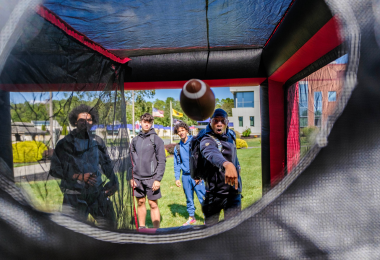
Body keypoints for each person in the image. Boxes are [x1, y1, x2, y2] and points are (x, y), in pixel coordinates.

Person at [49, 104, 119, 228]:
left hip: (97, 193)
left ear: (93, 122)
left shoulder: (97, 141)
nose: (85, 122)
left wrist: (114, 181)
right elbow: (55, 170)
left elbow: (106, 164)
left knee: (110, 225)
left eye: (89, 119)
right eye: (82, 120)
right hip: (74, 195)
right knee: (74, 234)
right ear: (75, 122)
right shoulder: (65, 143)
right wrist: (78, 176)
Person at [199, 108, 242, 225]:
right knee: (210, 231)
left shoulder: (231, 135)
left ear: (227, 122)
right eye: (215, 120)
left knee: (234, 231)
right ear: (210, 122)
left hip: (233, 193)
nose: (219, 123)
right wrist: (226, 164)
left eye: (222, 121)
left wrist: (236, 166)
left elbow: (234, 156)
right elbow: (211, 152)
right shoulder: (206, 139)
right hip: (214, 194)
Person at [129, 113, 166, 229]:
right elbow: (129, 160)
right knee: (140, 202)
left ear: (151, 123)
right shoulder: (134, 140)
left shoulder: (157, 140)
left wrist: (158, 179)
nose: (146, 124)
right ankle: (142, 228)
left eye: (149, 122)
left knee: (153, 204)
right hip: (137, 179)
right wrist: (131, 177)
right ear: (140, 122)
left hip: (151, 179)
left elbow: (162, 161)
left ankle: (157, 231)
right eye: (145, 121)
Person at [174, 121, 206, 226]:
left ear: (187, 130)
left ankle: (208, 217)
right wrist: (177, 178)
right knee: (189, 198)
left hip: (196, 175)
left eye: (183, 130)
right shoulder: (177, 147)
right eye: (179, 131)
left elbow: (202, 158)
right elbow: (177, 163)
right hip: (185, 177)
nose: (181, 133)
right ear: (177, 133)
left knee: (202, 196)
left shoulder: (195, 142)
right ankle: (192, 217)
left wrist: (200, 174)